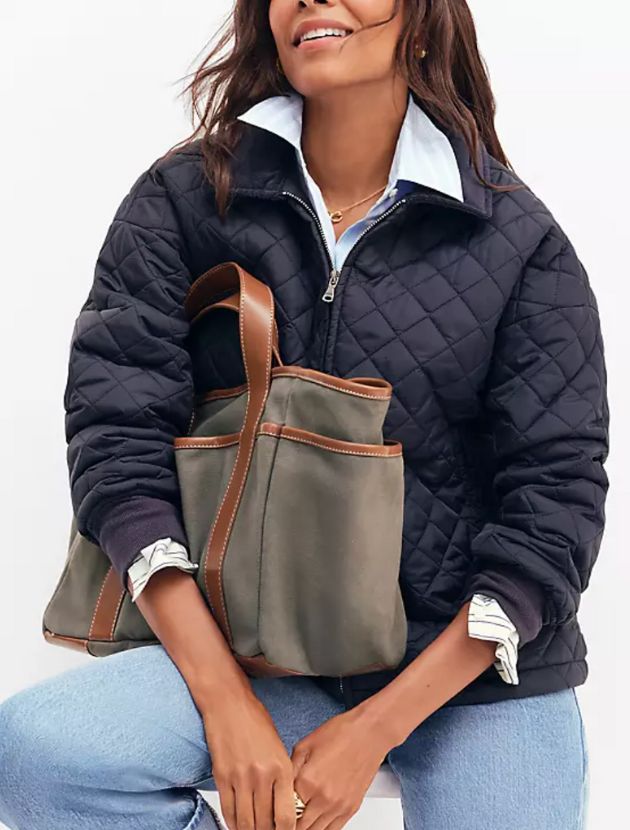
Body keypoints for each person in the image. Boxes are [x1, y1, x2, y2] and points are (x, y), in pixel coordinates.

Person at [0, 1, 607, 828]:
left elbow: (555, 505)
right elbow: (118, 447)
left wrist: (375, 728)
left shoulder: (519, 241)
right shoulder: (184, 199)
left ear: (421, 18)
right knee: (38, 755)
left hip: (469, 677)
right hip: (255, 652)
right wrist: (226, 702)